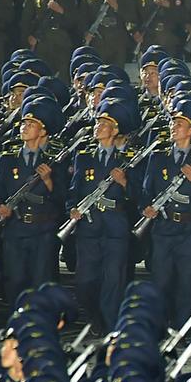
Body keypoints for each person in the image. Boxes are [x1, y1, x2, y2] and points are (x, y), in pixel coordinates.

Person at [67, 99, 139, 331]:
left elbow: (140, 194)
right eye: (97, 123)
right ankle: (94, 316)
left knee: (113, 281)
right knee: (84, 281)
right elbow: (73, 190)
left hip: (115, 226)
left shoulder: (128, 159)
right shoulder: (84, 156)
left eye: (104, 124)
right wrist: (72, 208)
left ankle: (110, 325)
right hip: (88, 227)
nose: (97, 127)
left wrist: (125, 183)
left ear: (115, 130)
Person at [141, 97, 191, 329]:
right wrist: (148, 207)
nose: (174, 127)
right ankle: (161, 326)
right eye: (173, 123)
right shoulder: (158, 157)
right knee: (161, 281)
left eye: (180, 124)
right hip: (163, 227)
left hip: (190, 229)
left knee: (187, 282)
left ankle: (183, 327)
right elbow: (146, 190)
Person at [0, 96, 68, 304]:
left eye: (31, 124)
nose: (24, 127)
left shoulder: (55, 159)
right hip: (15, 227)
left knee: (43, 281)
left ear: (43, 131)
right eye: (24, 122)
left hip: (43, 229)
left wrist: (48, 181)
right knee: (15, 280)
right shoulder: (7, 157)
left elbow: (64, 197)